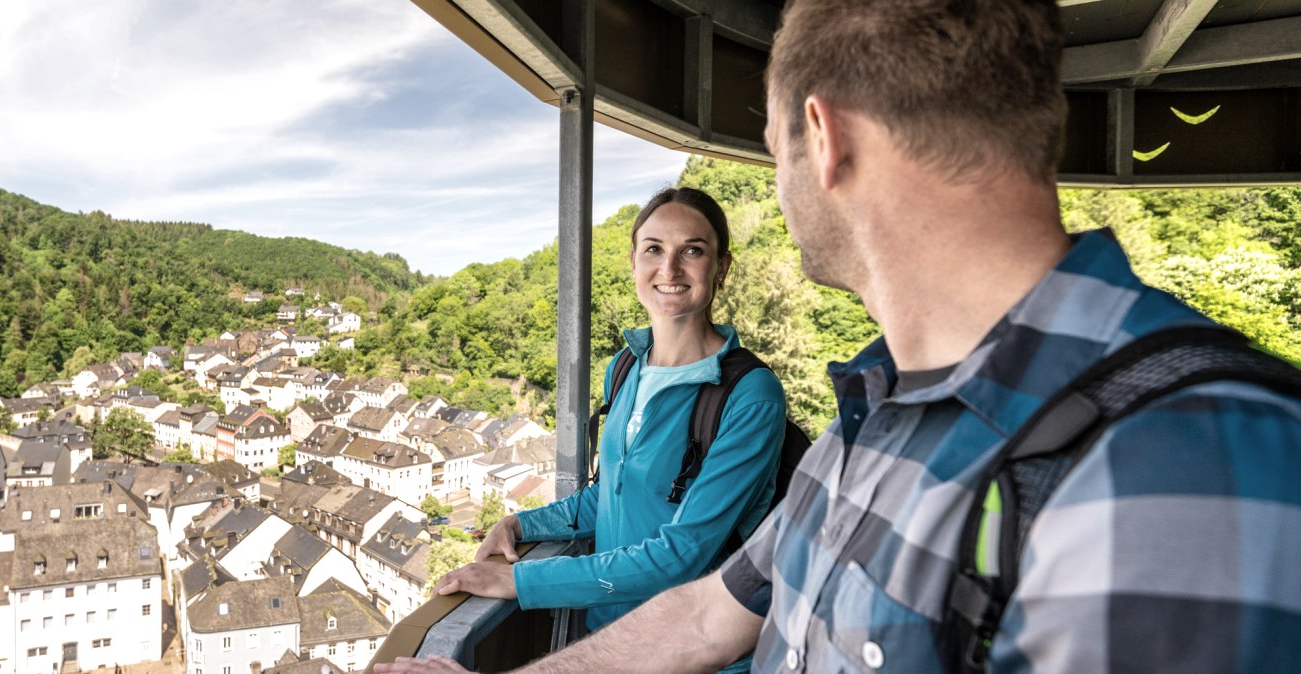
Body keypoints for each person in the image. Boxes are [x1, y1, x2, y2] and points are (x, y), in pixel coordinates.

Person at [377, 1, 1301, 673]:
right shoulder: (869, 418)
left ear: (823, 140)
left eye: (775, 151)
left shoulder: (1189, 455)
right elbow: (710, 616)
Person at [431, 187, 786, 673]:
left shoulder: (749, 394)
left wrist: (522, 582)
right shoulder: (624, 367)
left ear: (721, 268)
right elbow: (611, 498)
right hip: (612, 641)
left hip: (698, 654)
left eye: (693, 251)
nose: (670, 269)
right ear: (634, 261)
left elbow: (682, 555)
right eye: (654, 249)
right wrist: (522, 524)